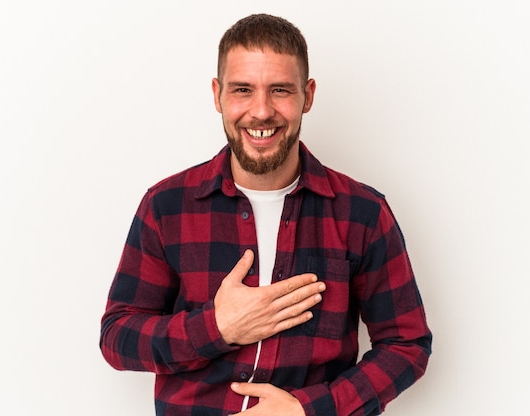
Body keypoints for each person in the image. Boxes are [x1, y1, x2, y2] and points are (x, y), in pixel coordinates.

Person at [100, 13, 432, 416]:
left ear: (307, 95)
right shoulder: (166, 206)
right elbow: (117, 337)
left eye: (280, 90)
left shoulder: (362, 213)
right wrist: (217, 327)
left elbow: (407, 345)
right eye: (242, 90)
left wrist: (311, 410)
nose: (261, 111)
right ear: (217, 94)